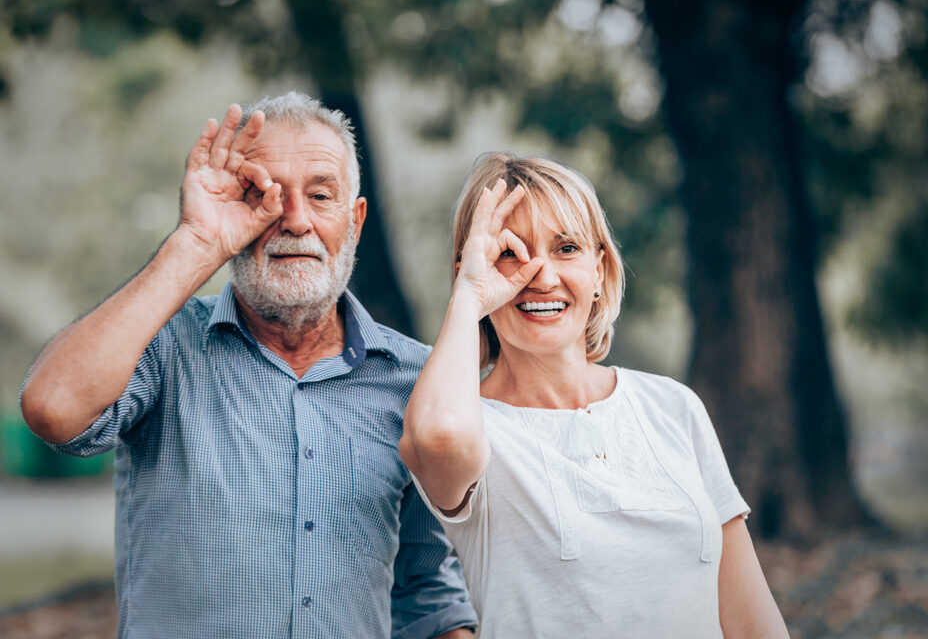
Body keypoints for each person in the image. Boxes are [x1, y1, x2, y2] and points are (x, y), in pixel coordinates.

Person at [19, 92, 476, 639]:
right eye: (264, 196)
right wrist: (195, 242)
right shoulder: (165, 347)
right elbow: (52, 408)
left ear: (355, 221)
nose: (295, 220)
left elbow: (427, 592)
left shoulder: (416, 380)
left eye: (321, 196)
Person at [399, 153, 789, 637]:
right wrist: (470, 292)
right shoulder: (476, 428)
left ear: (600, 269)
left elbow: (752, 621)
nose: (540, 276)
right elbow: (435, 439)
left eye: (565, 248)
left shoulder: (673, 406)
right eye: (509, 253)